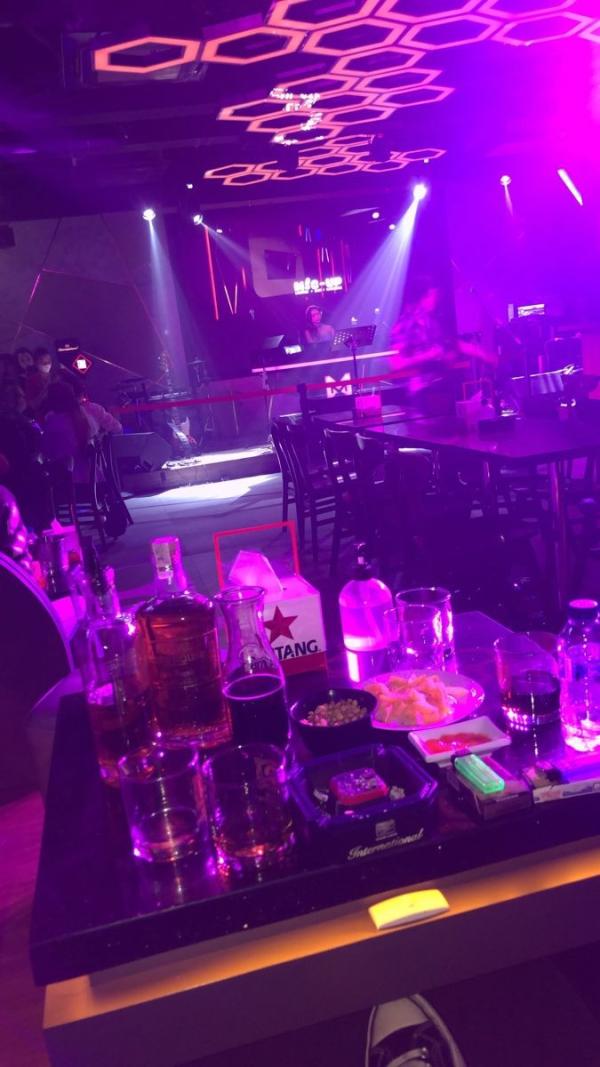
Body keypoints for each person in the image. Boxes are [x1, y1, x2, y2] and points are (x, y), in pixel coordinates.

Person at [391, 278, 495, 416]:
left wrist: (481, 353)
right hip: (418, 395)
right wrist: (427, 355)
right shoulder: (405, 325)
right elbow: (396, 363)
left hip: (438, 390)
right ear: (424, 296)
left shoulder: (430, 322)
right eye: (434, 295)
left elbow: (450, 345)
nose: (436, 300)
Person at [43, 381, 94, 483]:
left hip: (66, 478)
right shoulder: (82, 415)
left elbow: (46, 450)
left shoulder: (53, 420)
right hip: (90, 475)